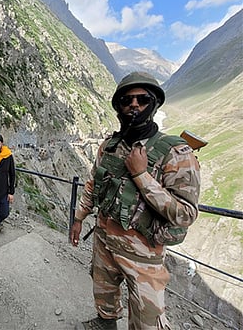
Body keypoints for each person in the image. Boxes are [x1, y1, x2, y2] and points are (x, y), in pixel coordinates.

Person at [69, 72, 201, 330]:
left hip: (144, 256)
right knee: (104, 296)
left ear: (153, 104)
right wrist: (78, 218)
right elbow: (93, 185)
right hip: (104, 242)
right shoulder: (109, 146)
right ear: (118, 106)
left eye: (142, 99)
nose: (134, 106)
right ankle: (105, 324)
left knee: (146, 320)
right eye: (127, 100)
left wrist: (141, 175)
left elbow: (185, 213)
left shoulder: (175, 153)